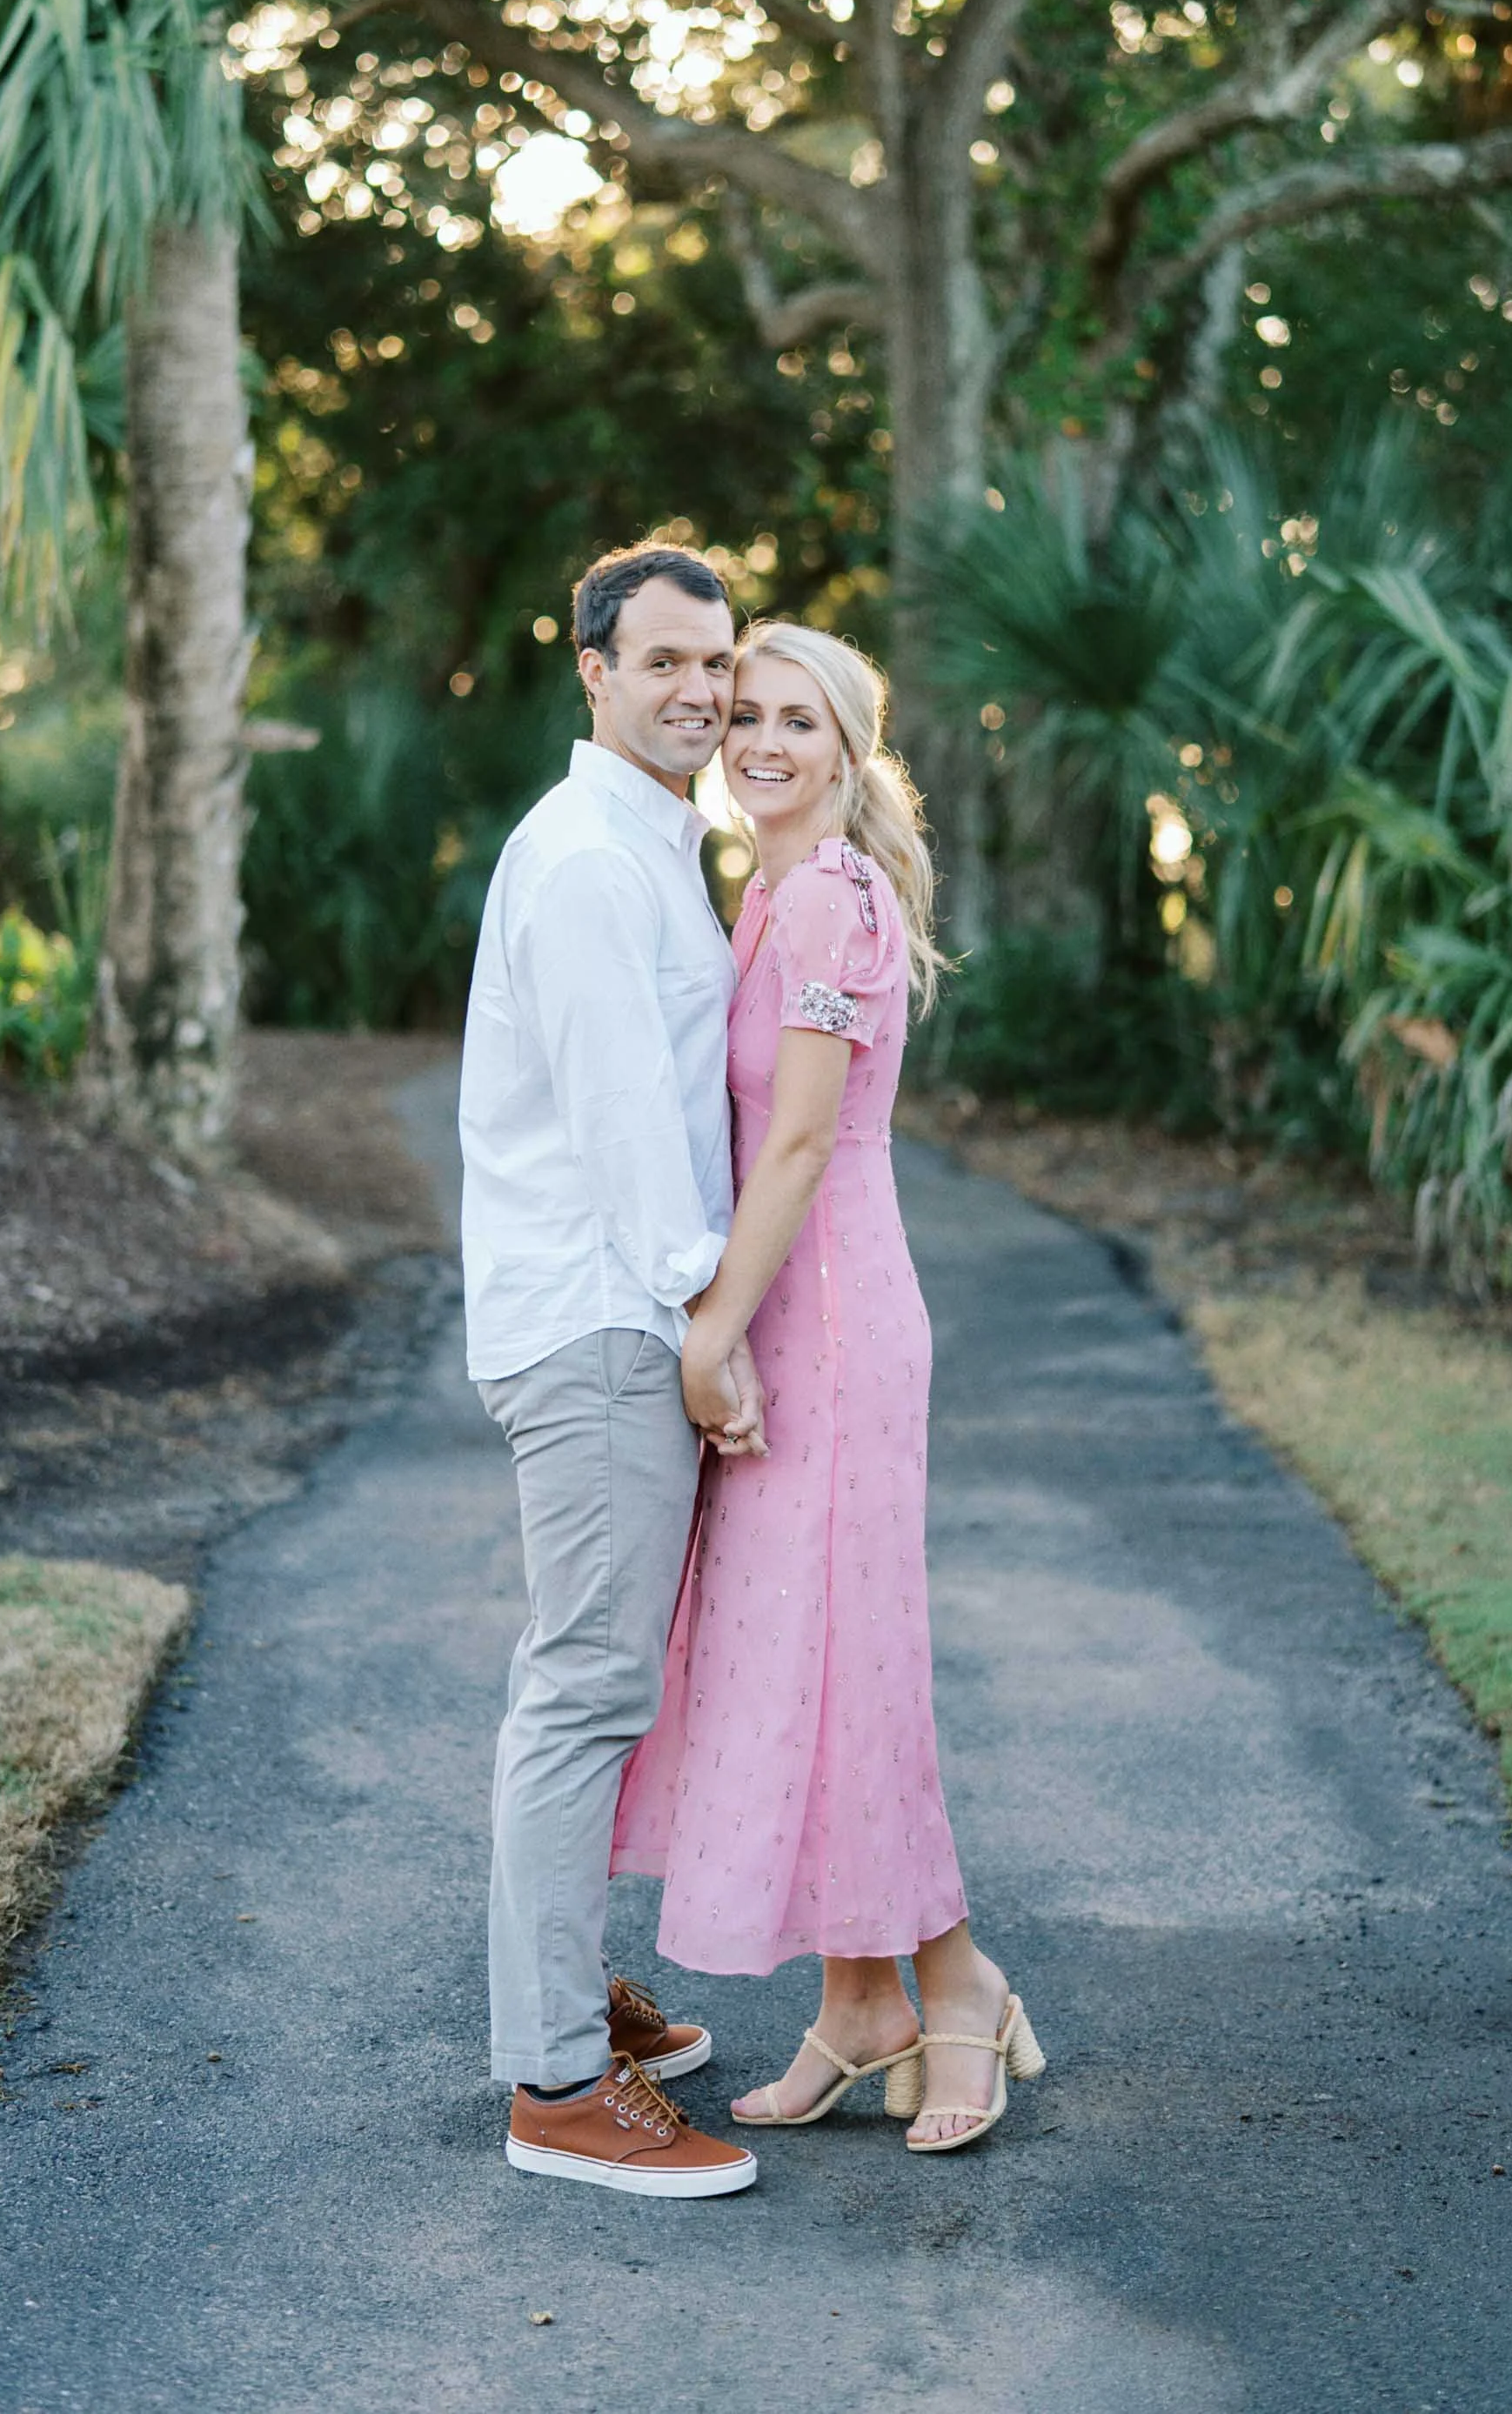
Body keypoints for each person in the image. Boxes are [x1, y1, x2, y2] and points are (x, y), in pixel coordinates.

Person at [614, 622, 1045, 2155]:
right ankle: (860, 2008)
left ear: (853, 751)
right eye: (745, 713)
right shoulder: (769, 895)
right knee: (801, 1666)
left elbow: (798, 1141)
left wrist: (712, 1335)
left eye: (798, 719)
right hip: (783, 1304)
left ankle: (961, 1985)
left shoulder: (830, 901)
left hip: (834, 1319)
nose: (758, 740)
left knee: (854, 1668)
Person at [460, 541, 765, 2199]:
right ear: (593, 670)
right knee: (583, 1688)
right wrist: (705, 1321)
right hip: (602, 1321)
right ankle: (559, 2084)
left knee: (601, 1682)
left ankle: (567, 1989)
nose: (700, 691)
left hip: (618, 1315)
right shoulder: (585, 859)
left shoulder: (653, 843)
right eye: (664, 662)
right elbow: (623, 1124)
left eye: (716, 663)